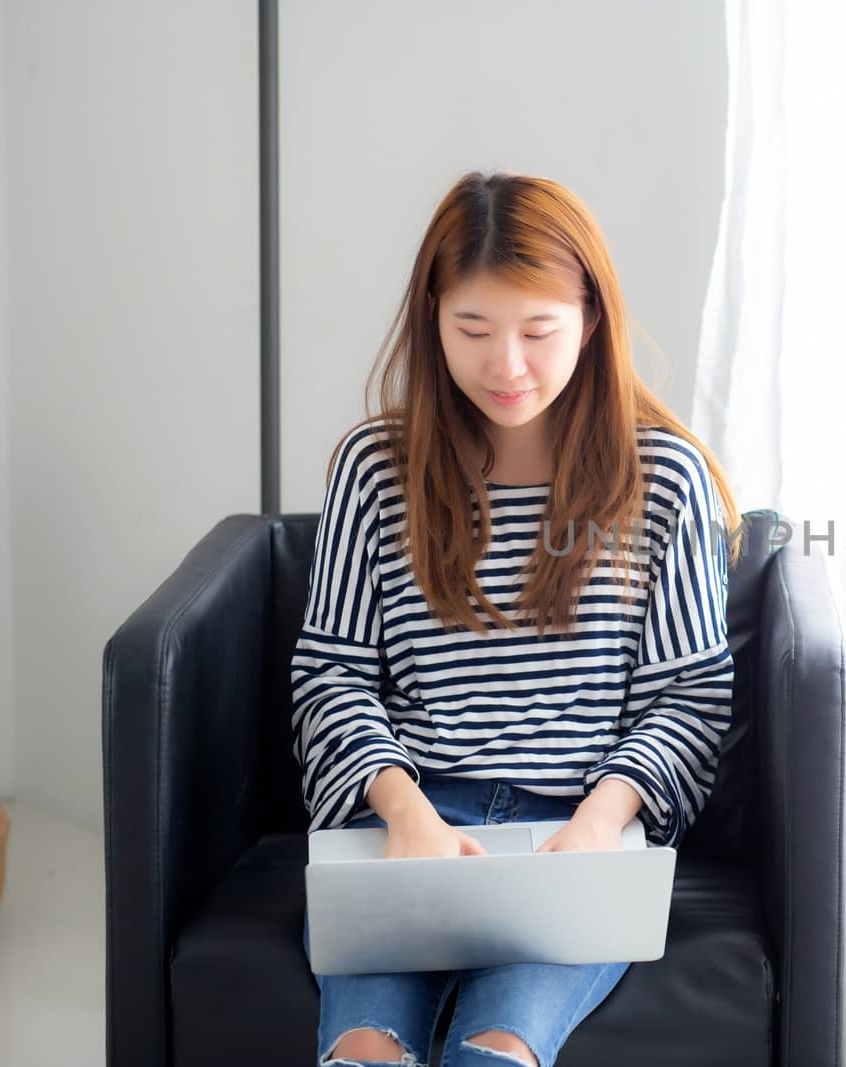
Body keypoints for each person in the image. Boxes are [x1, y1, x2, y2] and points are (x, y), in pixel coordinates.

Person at [291, 170, 742, 1067]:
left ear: (591, 320)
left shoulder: (664, 479)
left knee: (495, 1052)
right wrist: (404, 810)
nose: (508, 365)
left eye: (539, 331)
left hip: (581, 826)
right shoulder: (376, 469)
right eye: (473, 329)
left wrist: (600, 821)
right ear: (433, 318)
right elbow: (330, 672)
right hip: (407, 821)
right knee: (362, 1052)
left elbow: (690, 697)